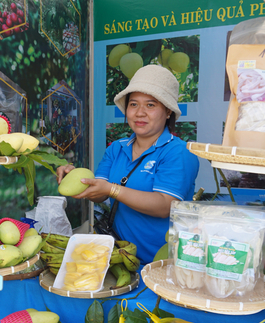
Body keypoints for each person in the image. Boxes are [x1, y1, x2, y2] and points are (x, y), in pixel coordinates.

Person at [57, 65, 200, 265]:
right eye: (133, 104)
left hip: (162, 263)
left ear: (168, 111)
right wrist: (78, 179)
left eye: (150, 105)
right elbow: (100, 192)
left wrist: (113, 189)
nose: (140, 113)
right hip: (120, 258)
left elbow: (165, 205)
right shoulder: (117, 148)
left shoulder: (179, 152)